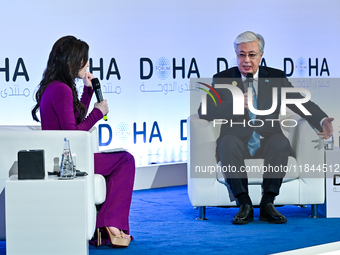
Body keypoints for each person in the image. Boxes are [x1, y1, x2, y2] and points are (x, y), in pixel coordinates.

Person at [198, 31, 333, 225]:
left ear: (261, 55)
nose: (246, 60)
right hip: (236, 142)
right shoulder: (222, 78)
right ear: (236, 54)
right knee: (227, 142)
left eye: (251, 55)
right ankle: (244, 203)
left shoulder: (276, 77)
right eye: (241, 55)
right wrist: (235, 104)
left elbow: (299, 101)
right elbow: (204, 110)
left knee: (280, 141)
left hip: (267, 140)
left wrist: (321, 120)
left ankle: (268, 203)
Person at [31, 36, 135, 247]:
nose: (87, 64)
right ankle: (108, 224)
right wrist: (97, 113)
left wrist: (88, 91)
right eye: (83, 59)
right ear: (72, 60)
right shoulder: (61, 89)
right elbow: (73, 132)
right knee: (125, 160)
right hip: (68, 161)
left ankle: (106, 224)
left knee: (122, 160)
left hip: (65, 157)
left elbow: (75, 119)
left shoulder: (57, 86)